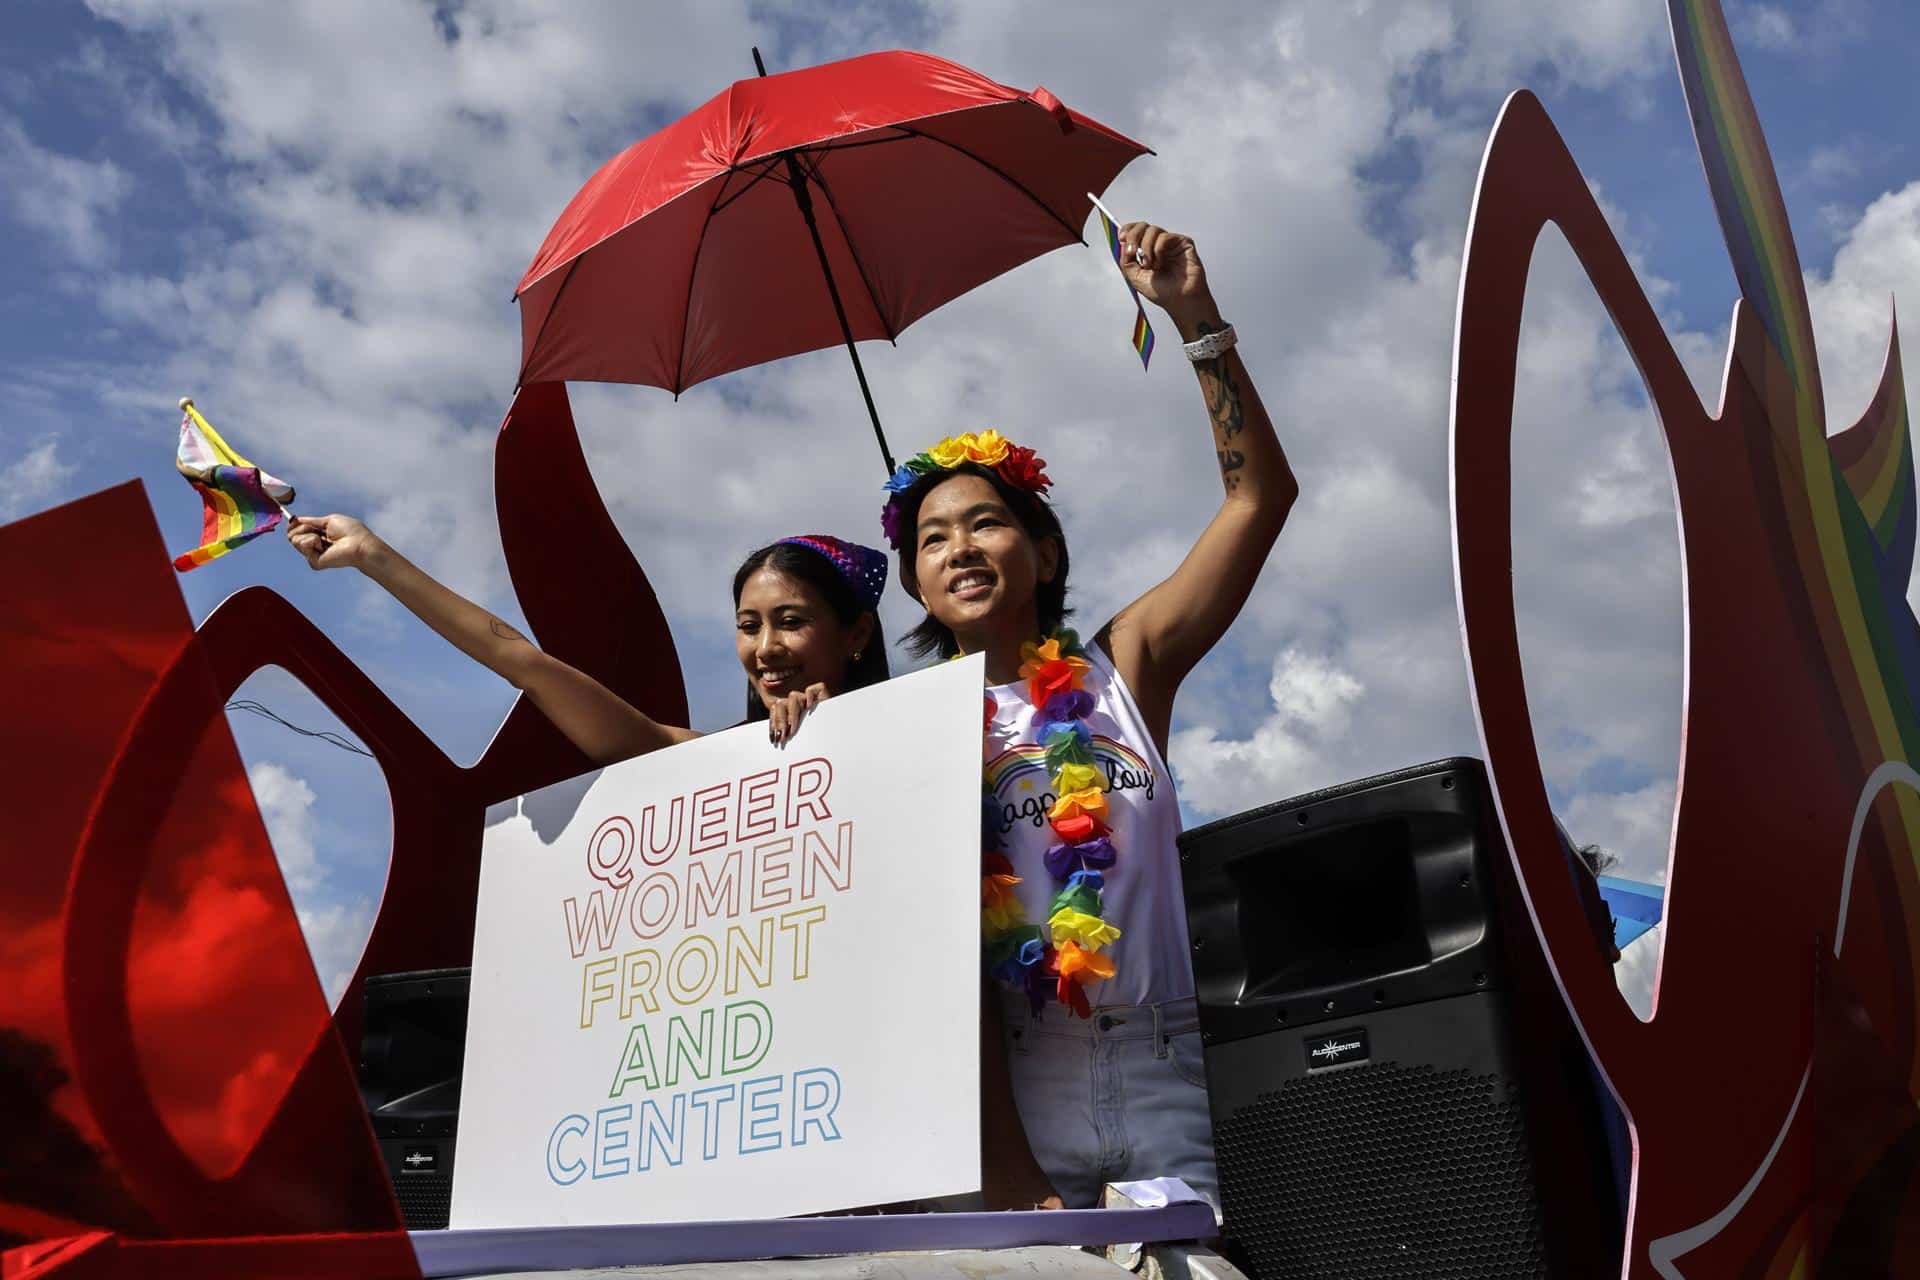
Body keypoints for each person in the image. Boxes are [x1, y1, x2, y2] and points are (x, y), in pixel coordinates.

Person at [878, 220, 1298, 1209]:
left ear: (1045, 553)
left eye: (985, 519)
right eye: (932, 537)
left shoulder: (1126, 667)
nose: (961, 544)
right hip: (1014, 1093)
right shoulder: (903, 734)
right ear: (918, 584)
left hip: (1170, 1071)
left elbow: (1260, 500)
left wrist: (1195, 320)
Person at [286, 516, 889, 752]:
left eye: (791, 622)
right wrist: (372, 555)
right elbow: (526, 663)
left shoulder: (940, 737)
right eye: (748, 627)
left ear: (856, 631)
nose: (765, 651)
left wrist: (849, 736)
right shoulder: (710, 765)